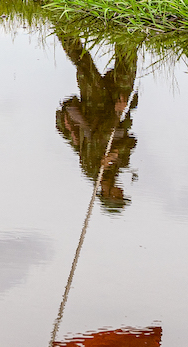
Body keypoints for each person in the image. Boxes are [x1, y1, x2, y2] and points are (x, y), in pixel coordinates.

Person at [53, 31, 139, 212]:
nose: (120, 191)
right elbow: (131, 142)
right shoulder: (118, 166)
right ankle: (127, 29)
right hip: (116, 107)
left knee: (85, 65)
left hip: (95, 109)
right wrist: (115, 154)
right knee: (126, 74)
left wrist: (116, 115)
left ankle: (65, 30)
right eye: (121, 195)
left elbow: (100, 134)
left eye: (117, 195)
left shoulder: (90, 167)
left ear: (106, 193)